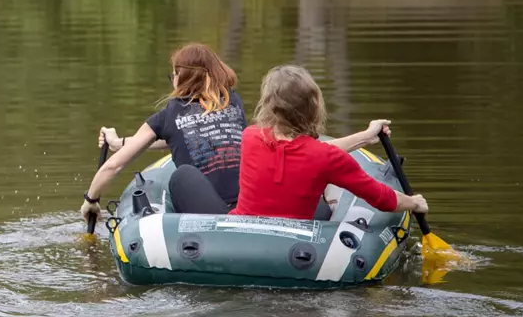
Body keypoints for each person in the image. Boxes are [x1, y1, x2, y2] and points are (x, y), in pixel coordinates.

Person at [166, 65, 429, 220]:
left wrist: (365, 136)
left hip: (239, 232)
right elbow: (381, 198)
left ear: (268, 104)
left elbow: (303, 155)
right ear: (313, 106)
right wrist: (414, 202)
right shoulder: (326, 158)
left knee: (183, 176)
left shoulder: (250, 137)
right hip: (296, 251)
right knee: (323, 205)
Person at [81, 43, 246, 226]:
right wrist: (118, 143)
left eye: (173, 75)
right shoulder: (233, 102)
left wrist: (91, 200)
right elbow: (185, 139)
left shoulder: (169, 115)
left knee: (181, 176)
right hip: (247, 207)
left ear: (181, 78)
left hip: (212, 217)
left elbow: (112, 167)